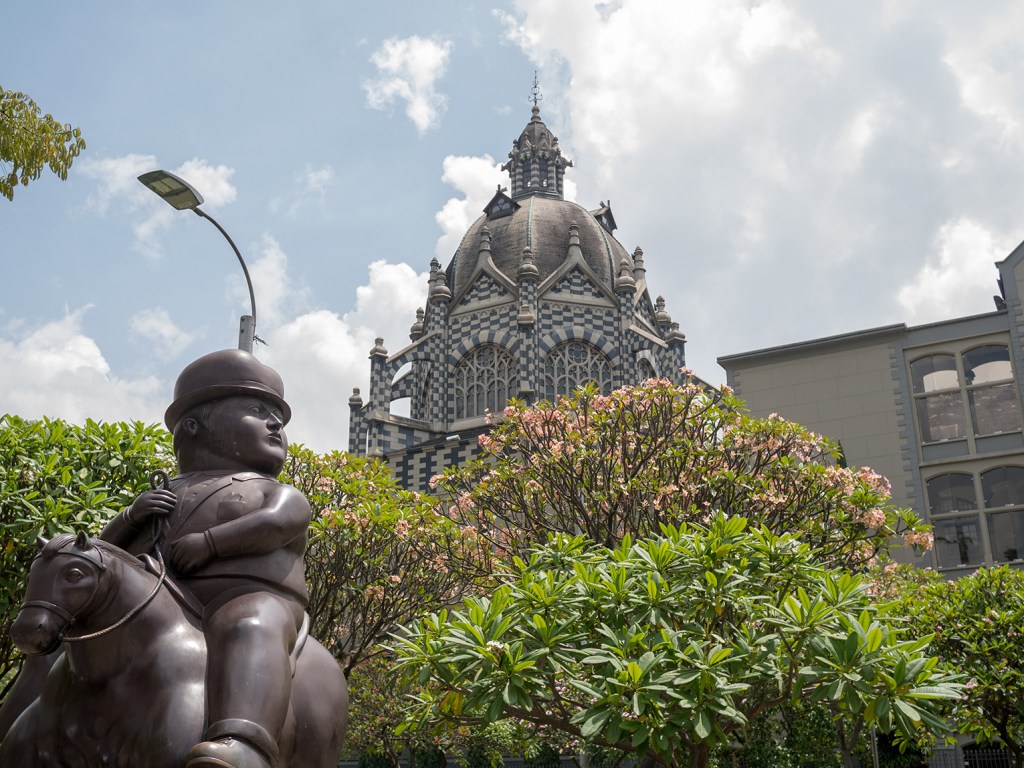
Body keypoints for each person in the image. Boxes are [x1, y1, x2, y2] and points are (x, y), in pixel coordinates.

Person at [100, 349, 310, 768]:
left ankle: (245, 743)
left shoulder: (270, 490)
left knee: (249, 622)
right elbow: (105, 556)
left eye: (279, 418)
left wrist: (211, 544)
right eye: (257, 410)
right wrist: (131, 516)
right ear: (194, 426)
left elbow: (280, 521)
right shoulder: (164, 493)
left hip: (247, 597)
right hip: (160, 606)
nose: (275, 424)